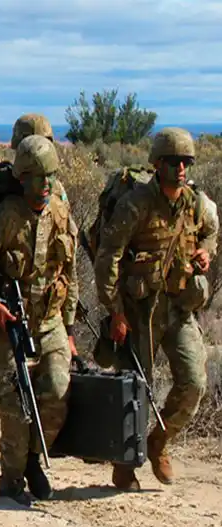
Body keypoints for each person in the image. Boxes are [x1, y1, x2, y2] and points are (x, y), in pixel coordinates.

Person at [95, 127, 219, 490]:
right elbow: (108, 257)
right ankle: (124, 464)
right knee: (136, 389)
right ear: (157, 164)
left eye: (186, 162)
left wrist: (206, 251)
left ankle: (158, 442)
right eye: (174, 161)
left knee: (194, 382)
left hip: (179, 308)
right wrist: (116, 311)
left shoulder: (195, 203)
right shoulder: (135, 204)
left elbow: (211, 230)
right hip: (139, 312)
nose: (181, 168)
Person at [0, 135, 78, 505]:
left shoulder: (60, 212)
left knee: (57, 389)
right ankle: (10, 481)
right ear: (22, 178)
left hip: (50, 319)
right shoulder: (4, 218)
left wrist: (69, 328)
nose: (46, 184)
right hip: (10, 322)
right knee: (15, 403)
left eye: (51, 176)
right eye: (38, 177)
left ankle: (31, 460)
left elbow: (70, 272)